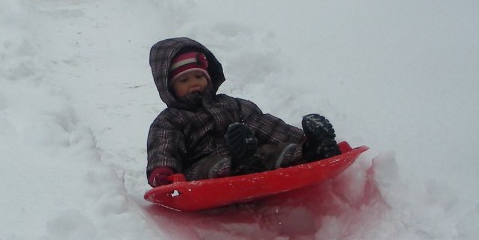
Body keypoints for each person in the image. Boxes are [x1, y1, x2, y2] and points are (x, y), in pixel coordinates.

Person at [146, 37, 342, 187]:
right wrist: (163, 173)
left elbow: (265, 125)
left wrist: (301, 139)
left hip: (251, 159)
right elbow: (163, 147)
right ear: (169, 87)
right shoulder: (169, 121)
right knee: (213, 167)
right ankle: (240, 164)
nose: (194, 82)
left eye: (198, 76)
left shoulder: (230, 104)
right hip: (203, 169)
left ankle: (312, 150)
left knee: (269, 152)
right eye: (184, 80)